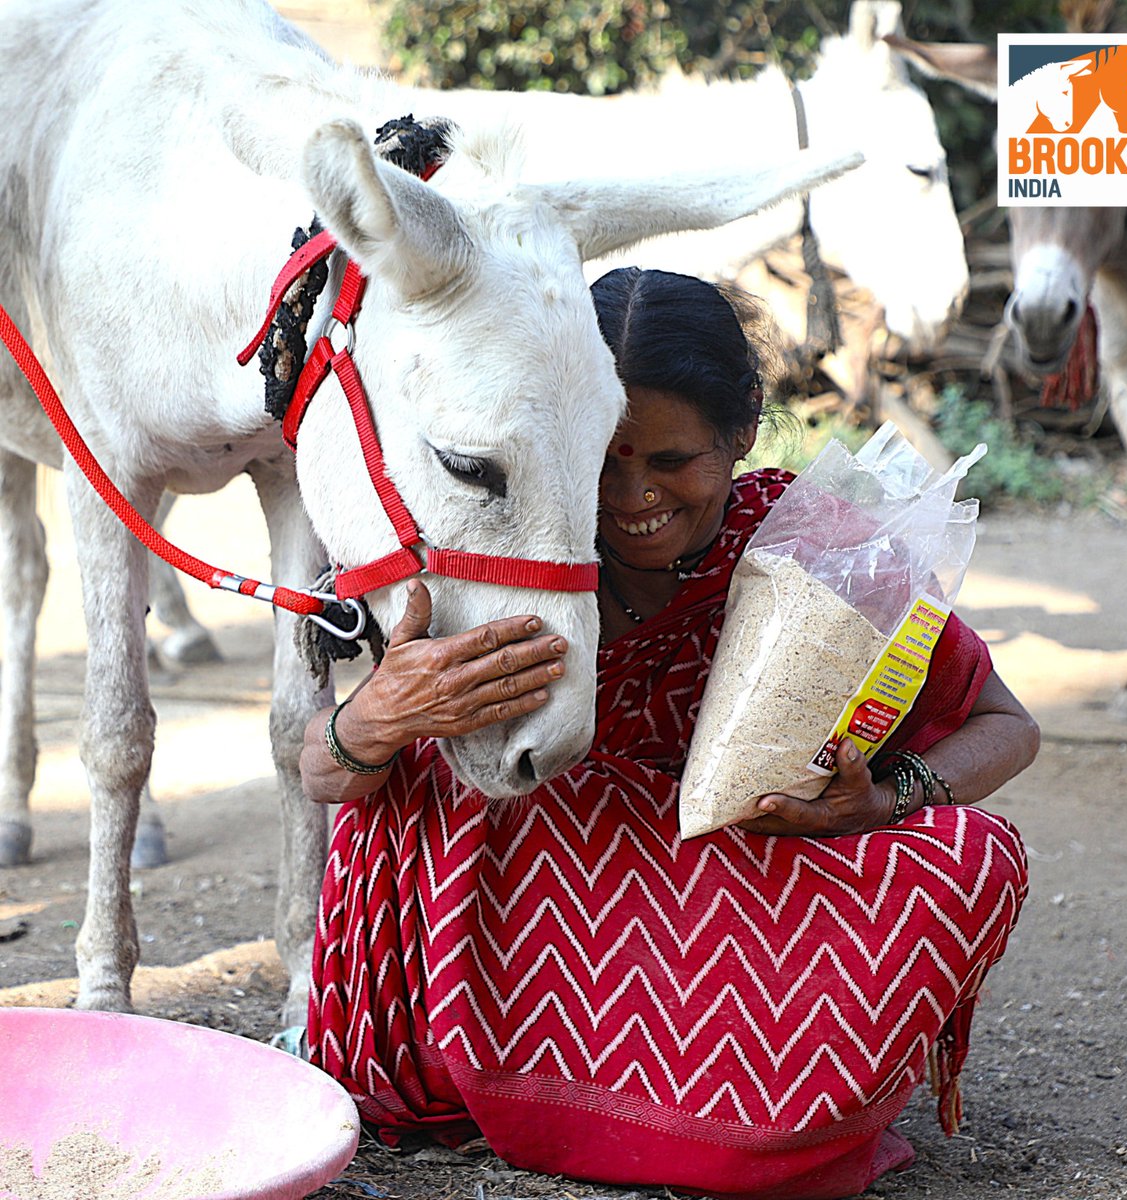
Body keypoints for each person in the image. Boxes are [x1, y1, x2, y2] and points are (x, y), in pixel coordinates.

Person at [301, 267, 1040, 1199]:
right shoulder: (495, 541)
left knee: (968, 857)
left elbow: (1005, 725)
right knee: (446, 775)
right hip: (511, 910)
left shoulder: (815, 552)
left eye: (671, 461)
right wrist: (378, 718)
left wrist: (882, 800)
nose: (629, 497)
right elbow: (331, 780)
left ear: (740, 435)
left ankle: (755, 1115)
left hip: (732, 896)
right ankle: (531, 1086)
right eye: (602, 460)